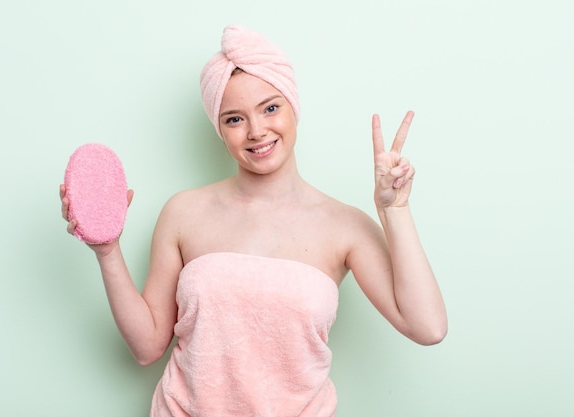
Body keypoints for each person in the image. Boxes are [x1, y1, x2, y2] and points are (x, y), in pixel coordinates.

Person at [60, 24, 447, 417]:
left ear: (293, 107)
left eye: (271, 107)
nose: (257, 131)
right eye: (234, 119)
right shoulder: (183, 212)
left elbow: (428, 328)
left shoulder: (345, 226)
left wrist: (394, 210)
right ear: (220, 130)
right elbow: (147, 349)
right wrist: (107, 251)